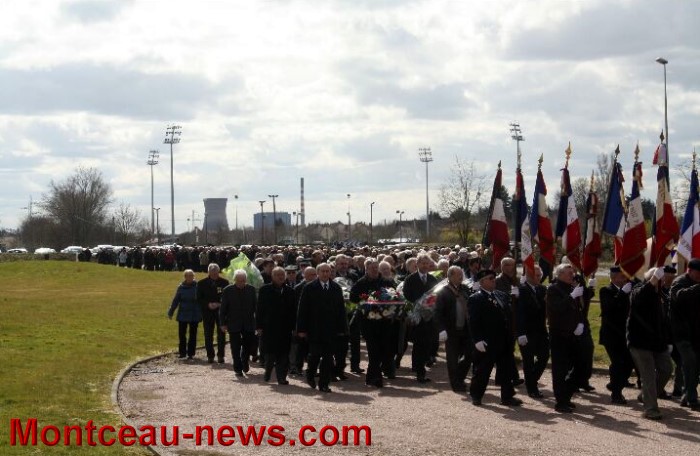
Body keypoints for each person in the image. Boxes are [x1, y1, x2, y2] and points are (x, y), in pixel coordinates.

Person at [468, 269, 522, 406]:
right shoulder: (476, 298)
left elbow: (508, 314)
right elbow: (473, 321)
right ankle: (476, 395)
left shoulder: (501, 295)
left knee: (506, 369)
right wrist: (477, 339)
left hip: (504, 339)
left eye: (494, 278)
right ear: (482, 282)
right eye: (490, 279)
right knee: (483, 370)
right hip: (488, 340)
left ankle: (507, 396)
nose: (493, 281)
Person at [627, 267, 673, 420]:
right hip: (640, 341)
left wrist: (668, 341)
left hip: (658, 342)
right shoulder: (638, 289)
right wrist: (653, 280)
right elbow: (639, 297)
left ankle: (645, 395)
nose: (663, 280)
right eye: (661, 278)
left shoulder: (661, 294)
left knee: (666, 369)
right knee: (648, 375)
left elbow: (664, 320)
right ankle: (651, 409)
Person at [297, 263, 348, 393]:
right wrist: (301, 329)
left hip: (331, 329)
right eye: (323, 271)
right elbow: (302, 310)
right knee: (314, 355)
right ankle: (310, 373)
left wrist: (342, 328)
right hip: (314, 329)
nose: (325, 274)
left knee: (328, 358)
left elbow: (341, 310)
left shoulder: (336, 288)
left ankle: (324, 384)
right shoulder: (309, 288)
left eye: (327, 271)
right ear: (318, 273)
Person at [546, 263, 588, 413]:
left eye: (572, 273)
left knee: (581, 366)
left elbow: (579, 310)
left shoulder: (572, 288)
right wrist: (571, 296)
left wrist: (580, 323)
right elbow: (557, 308)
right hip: (559, 334)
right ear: (560, 275)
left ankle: (566, 395)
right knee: (560, 370)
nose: (572, 275)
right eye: (569, 273)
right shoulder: (553, 289)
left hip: (573, 334)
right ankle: (560, 401)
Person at [350, 258, 396, 387]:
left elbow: (395, 295)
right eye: (372, 268)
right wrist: (366, 300)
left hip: (384, 322)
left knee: (382, 349)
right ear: (366, 269)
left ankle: (372, 376)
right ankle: (376, 378)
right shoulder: (361, 283)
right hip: (368, 322)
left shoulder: (386, 281)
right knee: (373, 349)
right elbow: (353, 298)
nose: (375, 270)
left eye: (376, 267)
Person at [434, 266, 472, 393]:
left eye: (461, 274)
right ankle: (456, 384)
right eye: (458, 275)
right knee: (452, 359)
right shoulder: (443, 291)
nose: (461, 277)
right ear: (450, 276)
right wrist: (441, 329)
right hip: (451, 330)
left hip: (466, 329)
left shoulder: (465, 289)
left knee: (469, 355)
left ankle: (459, 377)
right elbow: (437, 312)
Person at [599, 266, 634, 404]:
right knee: (618, 363)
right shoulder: (606, 290)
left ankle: (614, 384)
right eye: (622, 276)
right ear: (613, 278)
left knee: (629, 363)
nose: (625, 279)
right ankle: (616, 394)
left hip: (625, 334)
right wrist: (622, 294)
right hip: (611, 335)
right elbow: (608, 308)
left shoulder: (628, 291)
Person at [257, 267, 296, 385]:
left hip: (285, 328)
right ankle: (268, 371)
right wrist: (259, 326)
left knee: (283, 353)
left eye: (282, 275)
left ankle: (281, 377)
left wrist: (294, 327)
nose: (280, 277)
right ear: (272, 276)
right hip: (269, 327)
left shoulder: (290, 291)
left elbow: (293, 311)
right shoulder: (265, 290)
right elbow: (259, 309)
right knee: (270, 354)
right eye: (278, 275)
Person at [403, 253, 439, 383]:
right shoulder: (410, 279)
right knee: (418, 343)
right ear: (417, 264)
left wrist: (429, 304)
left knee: (427, 343)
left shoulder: (432, 279)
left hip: (429, 316)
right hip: (417, 316)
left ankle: (420, 367)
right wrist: (419, 302)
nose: (425, 265)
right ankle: (419, 371)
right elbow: (406, 295)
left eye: (427, 263)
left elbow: (436, 295)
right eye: (422, 263)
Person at [670, 258, 700, 411]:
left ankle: (686, 395)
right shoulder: (679, 282)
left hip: (696, 333)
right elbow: (679, 296)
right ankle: (692, 399)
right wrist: (698, 288)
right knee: (690, 362)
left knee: (696, 366)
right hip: (681, 333)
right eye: (698, 273)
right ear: (690, 270)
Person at [516, 265, 550, 399]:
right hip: (527, 331)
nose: (539, 278)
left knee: (544, 356)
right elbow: (519, 313)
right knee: (528, 360)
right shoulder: (521, 290)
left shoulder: (542, 289)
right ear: (529, 276)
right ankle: (532, 388)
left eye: (540, 275)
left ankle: (531, 380)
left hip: (541, 330)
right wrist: (520, 333)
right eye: (537, 275)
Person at [220, 269, 257, 376]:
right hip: (233, 323)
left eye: (243, 281)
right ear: (235, 280)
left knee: (247, 346)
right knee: (235, 347)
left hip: (248, 322)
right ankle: (237, 368)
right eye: (239, 281)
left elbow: (256, 307)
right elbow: (223, 309)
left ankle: (244, 361)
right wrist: (222, 323)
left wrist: (258, 323)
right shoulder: (228, 290)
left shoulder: (251, 290)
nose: (241, 283)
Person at [197, 263, 230, 363]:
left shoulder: (224, 282)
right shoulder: (201, 283)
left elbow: (228, 298)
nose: (215, 275)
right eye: (212, 273)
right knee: (208, 334)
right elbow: (198, 298)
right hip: (207, 312)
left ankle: (221, 355)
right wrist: (208, 304)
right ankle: (210, 355)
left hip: (221, 312)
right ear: (209, 272)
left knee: (221, 333)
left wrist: (219, 304)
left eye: (216, 273)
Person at [167, 269, 201, 360]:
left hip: (194, 313)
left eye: (191, 276)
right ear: (185, 277)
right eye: (188, 276)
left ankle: (191, 353)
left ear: (193, 277)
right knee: (182, 334)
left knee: (193, 334)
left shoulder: (198, 287)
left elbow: (202, 299)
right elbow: (176, 300)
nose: (190, 277)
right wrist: (171, 311)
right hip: (183, 313)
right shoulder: (181, 287)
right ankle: (182, 353)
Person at [290, 266, 317, 375]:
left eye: (314, 274)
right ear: (304, 275)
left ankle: (312, 369)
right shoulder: (298, 288)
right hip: (302, 322)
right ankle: (298, 367)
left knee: (312, 348)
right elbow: (294, 308)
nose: (313, 277)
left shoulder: (317, 286)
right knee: (300, 347)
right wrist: (296, 326)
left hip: (314, 322)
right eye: (311, 275)